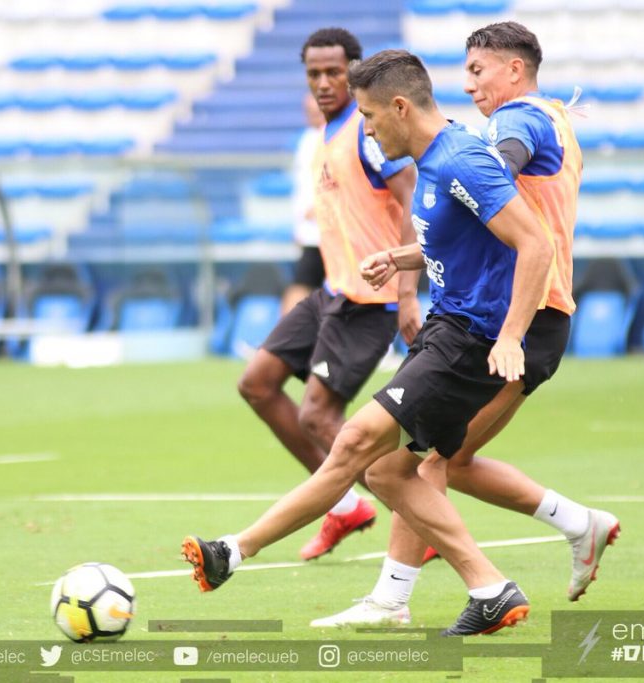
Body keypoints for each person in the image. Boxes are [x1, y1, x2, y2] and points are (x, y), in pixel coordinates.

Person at [183, 48, 554, 636]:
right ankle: (489, 587)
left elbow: (536, 245)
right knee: (383, 472)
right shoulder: (437, 159)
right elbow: (462, 241)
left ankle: (233, 551)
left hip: (469, 340)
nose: (370, 131)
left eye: (372, 117)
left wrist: (510, 335)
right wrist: (402, 256)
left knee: (354, 442)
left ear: (400, 108)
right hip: (448, 332)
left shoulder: (460, 160)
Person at [311, 22, 620, 629]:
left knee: (415, 463)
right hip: (535, 311)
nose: (469, 85)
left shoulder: (515, 123)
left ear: (514, 69)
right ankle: (579, 525)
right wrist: (410, 257)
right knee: (436, 460)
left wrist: (466, 177)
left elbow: (490, 185)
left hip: (520, 316)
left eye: (478, 71)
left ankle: (407, 598)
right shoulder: (554, 115)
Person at [234, 28, 421, 562]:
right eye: (313, 74)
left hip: (371, 299)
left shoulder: (366, 133)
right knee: (258, 383)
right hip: (333, 291)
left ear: (355, 70)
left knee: (319, 415)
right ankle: (342, 506)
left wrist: (408, 293)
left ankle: (416, 518)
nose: (322, 83)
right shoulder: (325, 135)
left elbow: (412, 200)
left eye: (333, 72)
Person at [281, 93, 326, 315]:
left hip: (329, 229)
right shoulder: (308, 139)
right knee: (305, 286)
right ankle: (280, 345)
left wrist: (321, 205)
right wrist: (299, 225)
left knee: (303, 287)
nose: (311, 113)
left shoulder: (334, 137)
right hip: (312, 233)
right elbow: (302, 188)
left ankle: (278, 345)